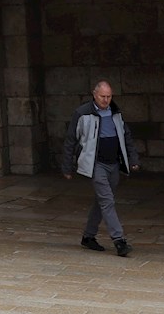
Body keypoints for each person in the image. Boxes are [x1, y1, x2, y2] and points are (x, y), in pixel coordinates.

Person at [60, 79, 140, 256]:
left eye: (109, 96)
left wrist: (132, 158)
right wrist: (67, 166)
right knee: (107, 201)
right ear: (94, 95)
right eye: (103, 96)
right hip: (96, 164)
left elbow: (126, 137)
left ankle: (88, 236)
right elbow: (70, 140)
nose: (106, 100)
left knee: (102, 201)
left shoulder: (116, 113)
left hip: (113, 163)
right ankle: (119, 241)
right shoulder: (82, 114)